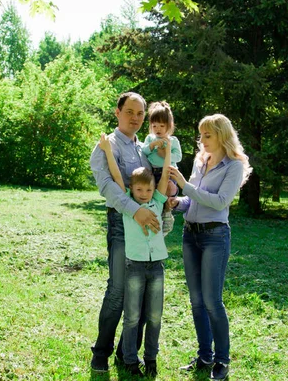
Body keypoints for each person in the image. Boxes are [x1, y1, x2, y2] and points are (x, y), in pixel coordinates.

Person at [167, 114, 252, 380]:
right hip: (190, 235)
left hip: (215, 236)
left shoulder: (234, 166)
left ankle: (222, 361)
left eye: (207, 135)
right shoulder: (200, 160)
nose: (201, 140)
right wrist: (177, 203)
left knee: (213, 301)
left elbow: (219, 202)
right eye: (201, 135)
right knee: (196, 301)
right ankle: (205, 356)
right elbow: (194, 201)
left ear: (222, 136)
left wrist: (184, 185)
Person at [89, 92, 161, 373]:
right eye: (129, 112)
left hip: (146, 230)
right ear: (117, 112)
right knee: (118, 292)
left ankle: (126, 353)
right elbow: (107, 186)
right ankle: (101, 353)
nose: (135, 118)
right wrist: (135, 210)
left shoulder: (144, 148)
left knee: (142, 295)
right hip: (121, 224)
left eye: (140, 114)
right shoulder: (105, 146)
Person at [98, 133, 171, 377]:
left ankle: (150, 358)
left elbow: (164, 179)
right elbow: (117, 177)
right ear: (132, 189)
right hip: (135, 266)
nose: (143, 193)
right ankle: (129, 360)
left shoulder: (158, 201)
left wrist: (167, 151)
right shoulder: (129, 206)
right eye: (138, 189)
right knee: (132, 316)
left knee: (154, 316)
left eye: (147, 189)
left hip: (157, 267)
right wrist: (108, 150)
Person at [141, 101, 182, 236]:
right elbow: (144, 151)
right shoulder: (150, 138)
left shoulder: (173, 140)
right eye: (154, 126)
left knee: (167, 192)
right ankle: (154, 218)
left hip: (169, 173)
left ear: (169, 126)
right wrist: (152, 146)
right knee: (154, 197)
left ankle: (168, 216)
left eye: (161, 125)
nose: (157, 129)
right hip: (153, 173)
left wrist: (166, 153)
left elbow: (178, 157)